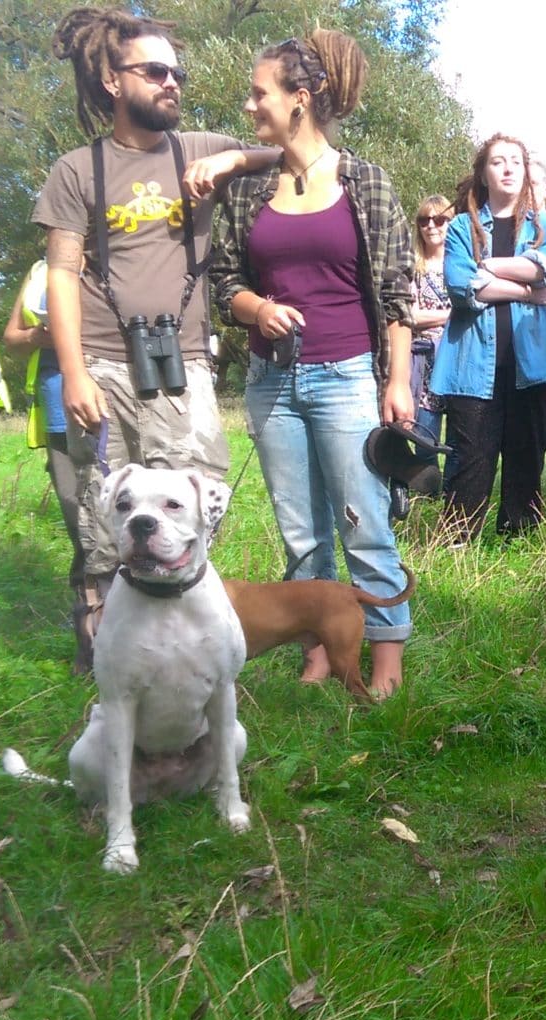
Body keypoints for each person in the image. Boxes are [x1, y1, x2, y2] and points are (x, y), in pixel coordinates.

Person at [32, 7, 276, 671]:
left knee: (197, 488)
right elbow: (59, 273)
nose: (172, 82)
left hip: (182, 361)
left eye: (178, 73)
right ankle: (100, 647)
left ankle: (174, 629)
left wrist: (235, 155)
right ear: (114, 80)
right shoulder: (76, 169)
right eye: (155, 71)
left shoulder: (197, 148)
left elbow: (295, 150)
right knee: (96, 506)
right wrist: (75, 374)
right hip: (102, 362)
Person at [207, 30, 415, 697]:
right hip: (270, 382)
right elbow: (222, 282)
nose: (250, 105)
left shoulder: (365, 182)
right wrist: (255, 310)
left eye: (259, 93)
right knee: (300, 534)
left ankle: (386, 664)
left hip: (346, 374)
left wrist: (399, 381)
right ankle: (318, 652)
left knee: (364, 523)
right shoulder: (248, 191)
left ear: (300, 100)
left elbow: (397, 293)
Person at [430, 134, 546, 543]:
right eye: (498, 161)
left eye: (516, 160)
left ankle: (519, 543)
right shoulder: (462, 226)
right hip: (471, 368)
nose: (509, 168)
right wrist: (528, 290)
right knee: (469, 461)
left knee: (526, 461)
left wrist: (490, 267)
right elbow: (461, 285)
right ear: (483, 173)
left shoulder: (545, 224)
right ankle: (457, 544)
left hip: (536, 368)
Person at [2, 259, 88, 616]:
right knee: (77, 513)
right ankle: (90, 616)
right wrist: (38, 335)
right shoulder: (40, 269)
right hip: (59, 400)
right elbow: (11, 339)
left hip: (117, 391)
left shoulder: (117, 250)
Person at [409, 194, 454, 453]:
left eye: (439, 219)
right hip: (423, 362)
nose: (431, 226)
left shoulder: (461, 265)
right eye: (424, 220)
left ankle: (452, 494)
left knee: (458, 444)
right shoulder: (413, 268)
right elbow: (411, 316)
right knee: (425, 438)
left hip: (456, 357)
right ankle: (423, 492)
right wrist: (453, 315)